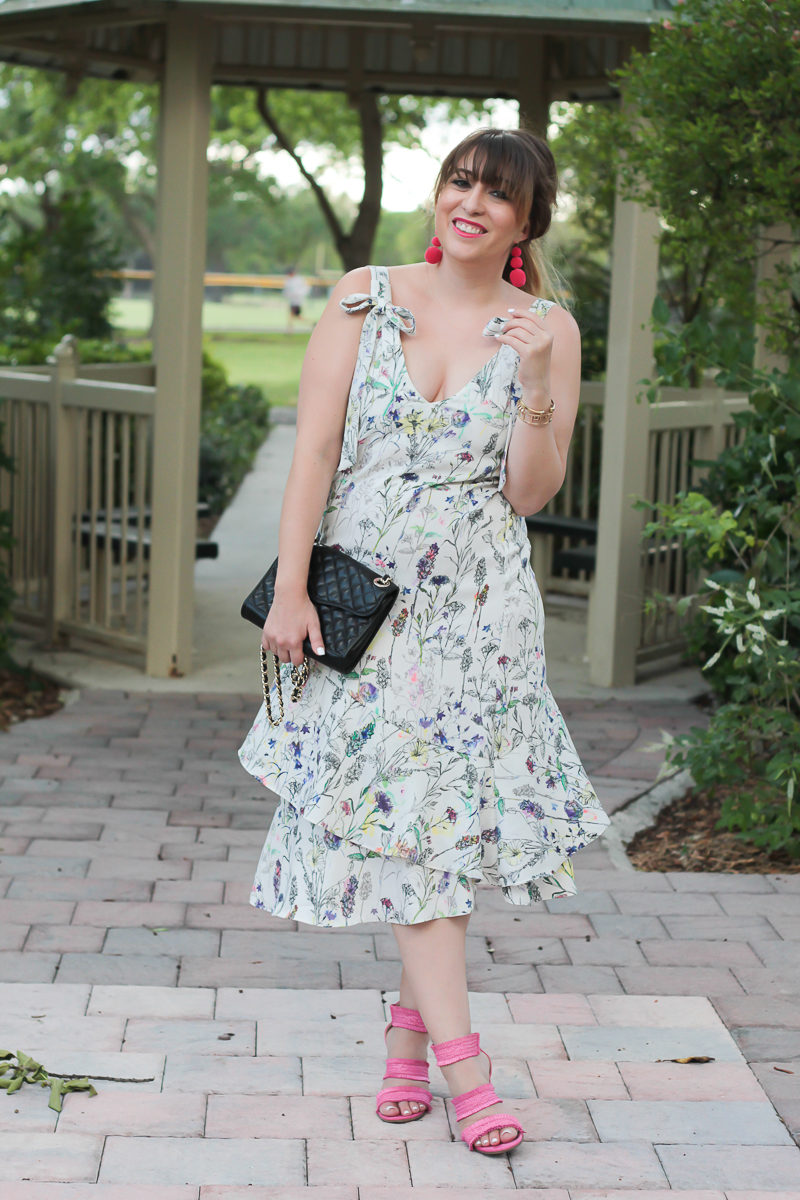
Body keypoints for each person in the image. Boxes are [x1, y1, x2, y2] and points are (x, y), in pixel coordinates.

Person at [239, 128, 610, 1156]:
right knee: (410, 814)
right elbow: (313, 445)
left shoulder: (547, 327)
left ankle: (412, 1040)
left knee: (436, 824)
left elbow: (529, 492)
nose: (472, 205)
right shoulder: (367, 293)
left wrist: (533, 380)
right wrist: (290, 589)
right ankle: (464, 1068)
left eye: (498, 196)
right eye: (460, 182)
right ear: (439, 192)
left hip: (478, 616)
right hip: (365, 600)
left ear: (527, 220)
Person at [282, 266, 310, 331]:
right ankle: (290, 329)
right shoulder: (288, 281)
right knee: (295, 317)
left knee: (294, 316)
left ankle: (289, 329)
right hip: (292, 301)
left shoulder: (299, 279)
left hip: (298, 301)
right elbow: (286, 291)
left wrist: (298, 294)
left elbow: (305, 289)